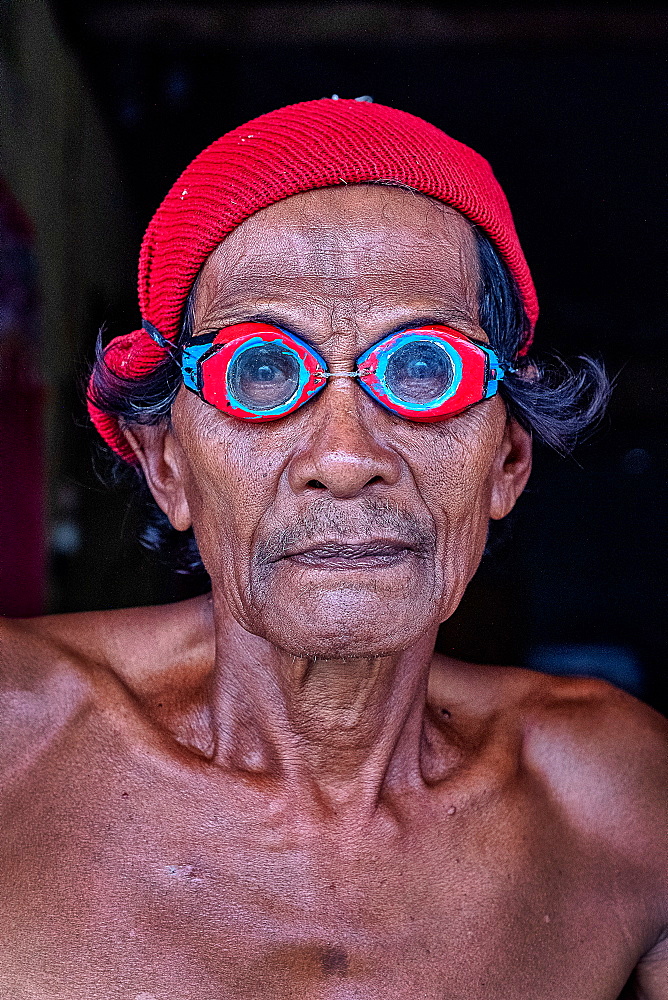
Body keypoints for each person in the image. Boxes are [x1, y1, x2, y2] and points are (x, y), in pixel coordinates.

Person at [0, 99, 665, 1000]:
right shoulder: (16, 739)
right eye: (261, 369)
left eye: (425, 368)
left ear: (507, 462)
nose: (347, 458)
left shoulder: (621, 801)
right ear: (168, 466)